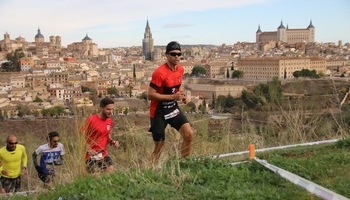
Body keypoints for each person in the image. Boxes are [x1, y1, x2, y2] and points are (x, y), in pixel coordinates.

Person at [148, 41, 194, 163]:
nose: (177, 57)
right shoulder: (159, 73)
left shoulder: (181, 69)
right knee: (159, 147)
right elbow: (150, 95)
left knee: (189, 135)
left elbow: (177, 87)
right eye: (173, 54)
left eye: (179, 54)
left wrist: (182, 95)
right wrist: (173, 97)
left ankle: (184, 164)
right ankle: (151, 171)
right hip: (158, 112)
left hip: (173, 109)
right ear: (167, 55)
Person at [83, 97, 120, 174]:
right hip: (91, 155)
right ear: (102, 108)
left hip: (103, 153)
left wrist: (113, 142)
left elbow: (106, 135)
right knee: (96, 180)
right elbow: (81, 136)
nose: (111, 112)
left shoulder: (109, 120)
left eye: (112, 109)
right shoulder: (91, 119)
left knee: (111, 173)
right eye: (108, 109)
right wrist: (89, 149)